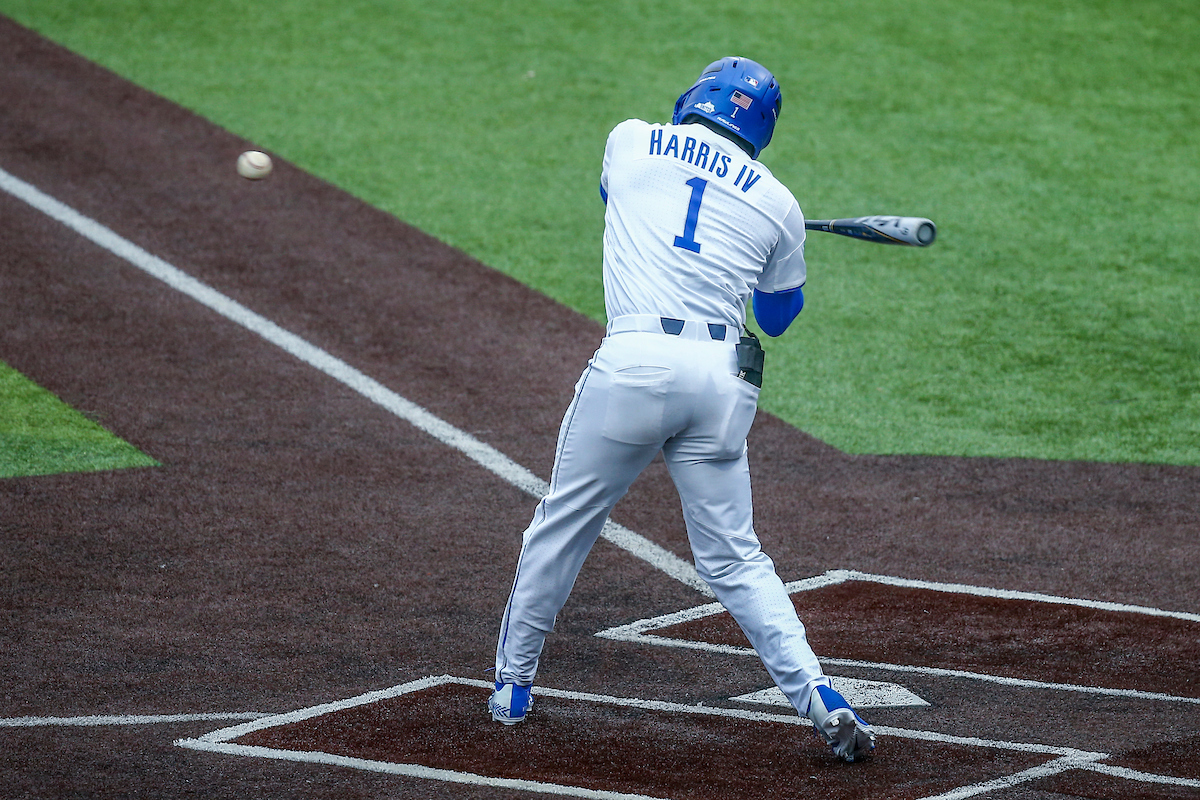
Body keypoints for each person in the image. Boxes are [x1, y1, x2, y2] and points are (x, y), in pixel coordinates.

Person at [488, 56, 875, 763]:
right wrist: (773, 249)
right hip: (720, 385)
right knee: (735, 557)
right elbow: (779, 317)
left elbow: (625, 205)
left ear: (697, 96)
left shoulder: (631, 139)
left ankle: (513, 687)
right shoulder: (779, 205)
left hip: (633, 366)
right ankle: (822, 698)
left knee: (565, 522)